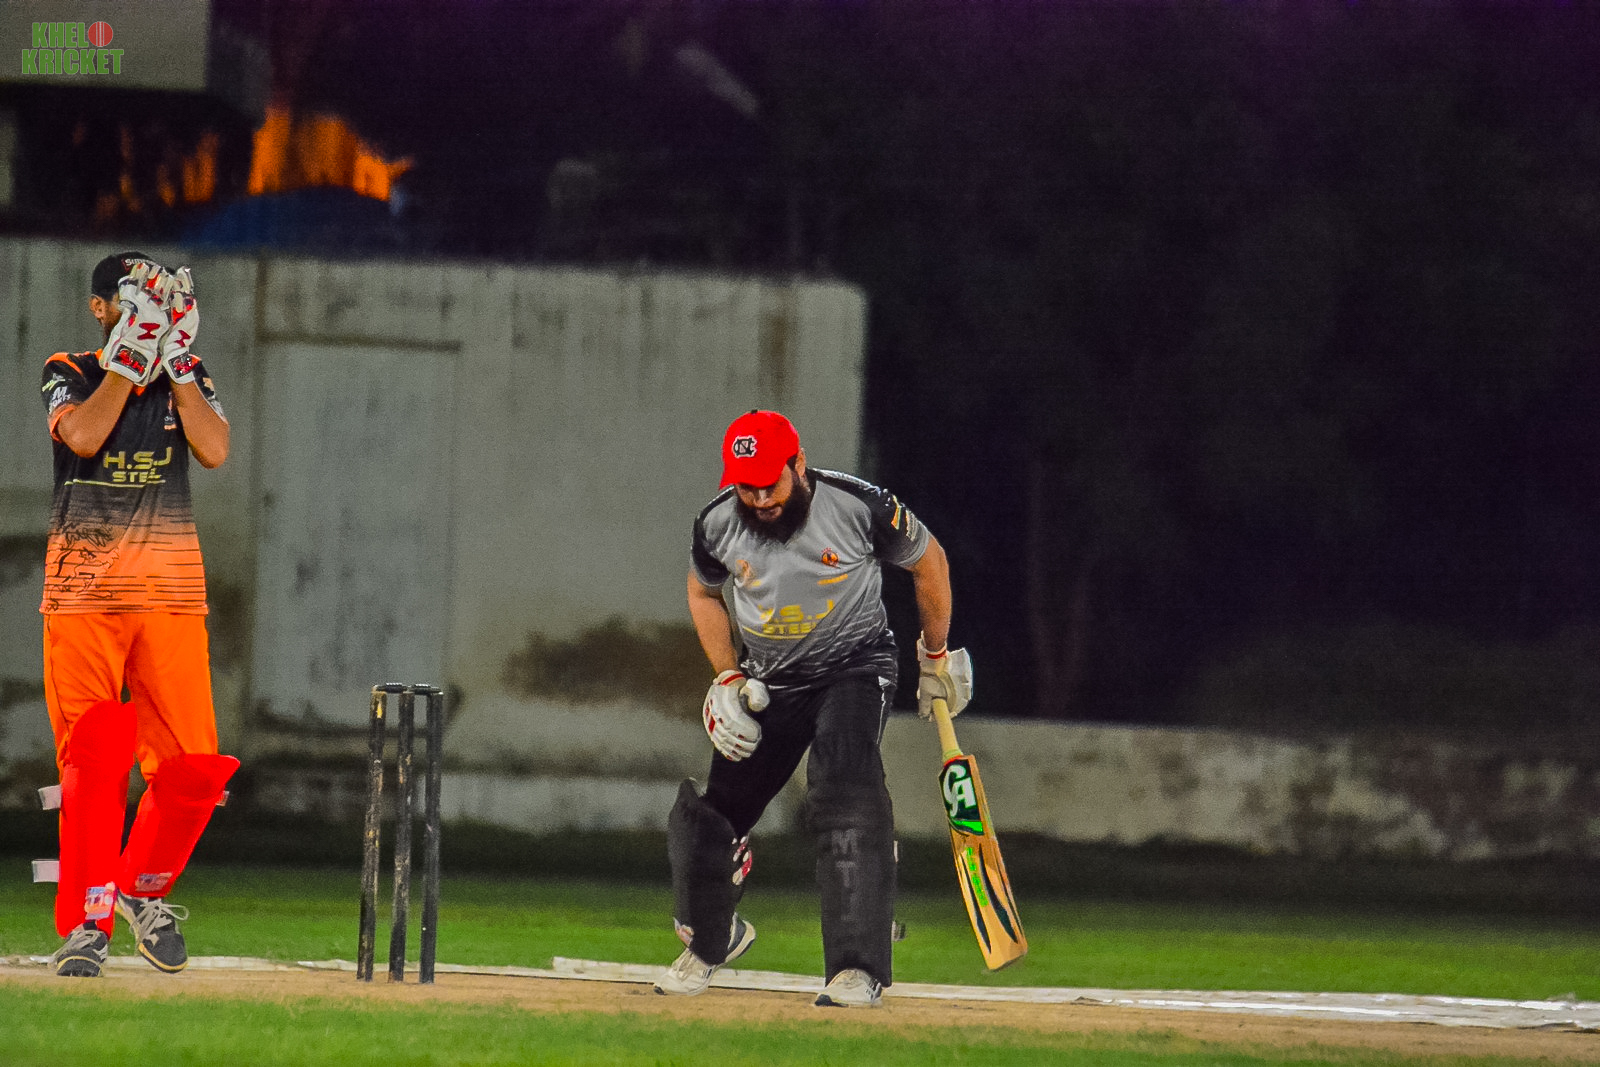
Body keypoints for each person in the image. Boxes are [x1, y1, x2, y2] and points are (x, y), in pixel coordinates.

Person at [655, 409, 973, 1008]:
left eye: (768, 483)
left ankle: (856, 968)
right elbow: (703, 592)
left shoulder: (859, 506)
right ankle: (711, 940)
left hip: (854, 666)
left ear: (798, 464)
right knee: (715, 813)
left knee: (843, 781)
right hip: (769, 679)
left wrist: (935, 656)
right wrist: (727, 675)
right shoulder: (716, 523)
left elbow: (929, 561)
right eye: (746, 486)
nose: (759, 499)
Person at [38, 252, 238, 978]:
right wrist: (127, 360)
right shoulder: (70, 369)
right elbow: (84, 438)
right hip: (84, 592)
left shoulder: (187, 373)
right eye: (134, 299)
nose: (148, 312)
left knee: (195, 768)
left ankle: (138, 891)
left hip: (169, 593)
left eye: (157, 300)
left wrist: (175, 362)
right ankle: (87, 925)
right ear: (102, 308)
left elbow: (214, 449)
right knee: (95, 759)